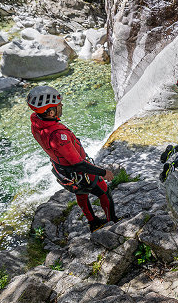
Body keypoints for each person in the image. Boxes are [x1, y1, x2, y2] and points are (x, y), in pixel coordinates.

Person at [27, 85, 118, 232]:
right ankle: (112, 221)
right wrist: (103, 172)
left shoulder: (36, 122)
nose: (61, 106)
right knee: (104, 191)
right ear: (50, 113)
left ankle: (93, 222)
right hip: (78, 172)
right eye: (57, 106)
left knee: (81, 194)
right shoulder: (58, 136)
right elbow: (78, 164)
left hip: (61, 169)